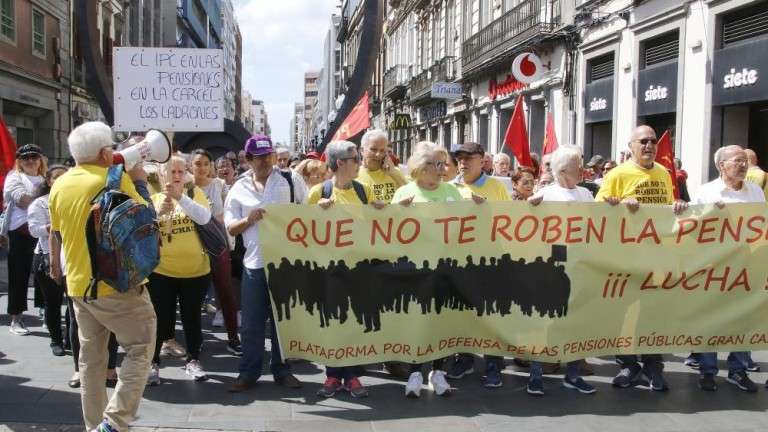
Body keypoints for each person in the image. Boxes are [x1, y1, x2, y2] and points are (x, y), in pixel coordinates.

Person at [48, 121, 156, 432]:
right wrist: (139, 181)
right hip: (117, 286)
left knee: (91, 362)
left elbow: (57, 230)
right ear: (104, 152)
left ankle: (93, 425)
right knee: (140, 347)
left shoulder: (60, 185)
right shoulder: (115, 179)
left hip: (79, 286)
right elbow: (146, 219)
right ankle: (114, 423)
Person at [595, 125, 688, 392]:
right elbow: (597, 210)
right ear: (631, 145)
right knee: (623, 313)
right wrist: (619, 206)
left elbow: (668, 210)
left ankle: (652, 365)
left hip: (656, 258)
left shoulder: (663, 172)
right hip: (625, 258)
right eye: (643, 141)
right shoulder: (617, 174)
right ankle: (627, 363)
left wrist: (678, 207)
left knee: (653, 313)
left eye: (652, 142)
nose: (649, 146)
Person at [226, 134, 305, 393]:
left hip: (286, 264)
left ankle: (282, 371)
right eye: (260, 157)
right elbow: (231, 228)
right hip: (254, 265)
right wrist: (249, 220)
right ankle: (249, 373)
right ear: (248, 160)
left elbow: (307, 212)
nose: (266, 161)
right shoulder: (238, 189)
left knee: (283, 322)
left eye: (269, 156)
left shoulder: (290, 180)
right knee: (251, 323)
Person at [392, 142, 471, 398]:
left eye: (443, 164)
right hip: (415, 271)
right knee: (416, 320)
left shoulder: (452, 192)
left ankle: (438, 372)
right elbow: (387, 231)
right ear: (421, 167)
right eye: (436, 164)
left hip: (446, 270)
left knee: (442, 321)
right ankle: (415, 371)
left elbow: (466, 226)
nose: (441, 170)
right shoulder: (404, 193)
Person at [309, 140, 387, 399]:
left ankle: (352, 375)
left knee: (355, 322)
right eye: (355, 159)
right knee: (333, 321)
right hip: (329, 271)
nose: (360, 163)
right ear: (340, 163)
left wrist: (384, 211)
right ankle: (332, 375)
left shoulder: (365, 191)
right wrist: (316, 215)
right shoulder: (319, 192)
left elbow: (381, 224)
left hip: (360, 271)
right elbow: (300, 231)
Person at [527, 145, 597, 396]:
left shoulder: (586, 196)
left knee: (576, 324)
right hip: (550, 271)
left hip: (579, 269)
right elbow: (524, 229)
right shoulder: (544, 195)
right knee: (543, 323)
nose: (583, 168)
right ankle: (535, 375)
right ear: (566, 170)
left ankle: (573, 374)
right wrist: (529, 208)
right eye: (579, 164)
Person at [692, 145, 762, 393]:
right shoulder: (706, 193)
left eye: (745, 161)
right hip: (714, 268)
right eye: (737, 161)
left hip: (745, 267)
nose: (743, 165)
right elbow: (691, 230)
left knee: (743, 318)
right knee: (710, 318)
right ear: (722, 166)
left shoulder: (755, 192)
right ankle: (708, 370)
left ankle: (738, 370)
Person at [146, 155, 213, 385]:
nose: (176, 176)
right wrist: (158, 215)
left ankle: (193, 361)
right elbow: (143, 231)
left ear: (186, 175)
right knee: (159, 319)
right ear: (162, 174)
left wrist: (180, 198)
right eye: (171, 171)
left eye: (180, 172)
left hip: (196, 271)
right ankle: (153, 363)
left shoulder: (195, 194)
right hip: (162, 272)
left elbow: (204, 218)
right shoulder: (153, 198)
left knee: (192, 318)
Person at [448, 142, 509, 388]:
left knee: (491, 314)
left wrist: (486, 208)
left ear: (482, 160)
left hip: (490, 261)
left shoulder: (497, 186)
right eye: (459, 158)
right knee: (462, 313)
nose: (462, 163)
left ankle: (494, 364)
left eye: (468, 158)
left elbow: (510, 222)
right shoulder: (450, 188)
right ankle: (465, 357)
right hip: (459, 261)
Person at [191, 149, 242, 356]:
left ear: (211, 166)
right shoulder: (185, 187)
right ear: (190, 166)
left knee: (226, 292)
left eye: (205, 163)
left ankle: (233, 337)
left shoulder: (219, 186)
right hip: (193, 247)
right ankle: (194, 343)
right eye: (197, 163)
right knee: (193, 297)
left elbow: (228, 215)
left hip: (218, 247)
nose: (202, 167)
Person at [4, 144, 46, 335]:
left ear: (40, 159)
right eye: (25, 158)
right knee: (18, 276)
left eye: (34, 157)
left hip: (45, 232)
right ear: (19, 161)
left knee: (45, 275)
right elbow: (23, 199)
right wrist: (47, 199)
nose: (30, 161)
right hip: (20, 233)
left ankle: (46, 311)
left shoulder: (47, 178)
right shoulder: (14, 177)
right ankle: (16, 318)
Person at [27, 164, 68, 355]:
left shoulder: (73, 199)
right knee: (53, 302)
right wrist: (54, 226)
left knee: (75, 303)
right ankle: (56, 340)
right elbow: (34, 230)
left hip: (71, 257)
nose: (61, 180)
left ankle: (70, 337)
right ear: (49, 181)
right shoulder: (40, 203)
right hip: (46, 256)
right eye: (56, 177)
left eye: (65, 176)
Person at [356, 129, 408, 203]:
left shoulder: (395, 172)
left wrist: (394, 174)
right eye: (373, 150)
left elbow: (412, 196)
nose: (378, 155)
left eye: (382, 150)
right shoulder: (354, 176)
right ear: (362, 150)